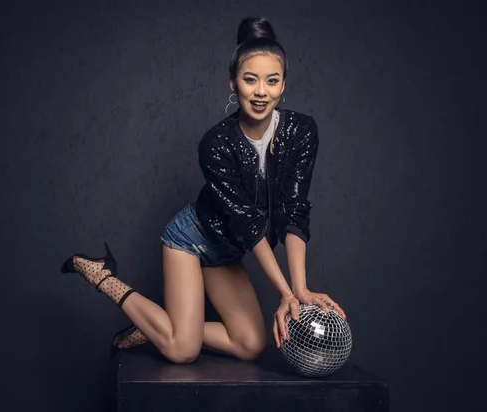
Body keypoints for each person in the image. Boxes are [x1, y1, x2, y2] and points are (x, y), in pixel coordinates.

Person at [61, 16, 346, 364]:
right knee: (183, 351)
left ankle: (159, 327)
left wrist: (300, 290)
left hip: (226, 252)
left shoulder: (302, 131)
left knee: (252, 344)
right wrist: (285, 294)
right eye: (250, 80)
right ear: (233, 83)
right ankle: (101, 275)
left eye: (272, 81)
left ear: (283, 85)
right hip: (191, 240)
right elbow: (249, 225)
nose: (261, 92)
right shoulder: (216, 143)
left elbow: (295, 209)